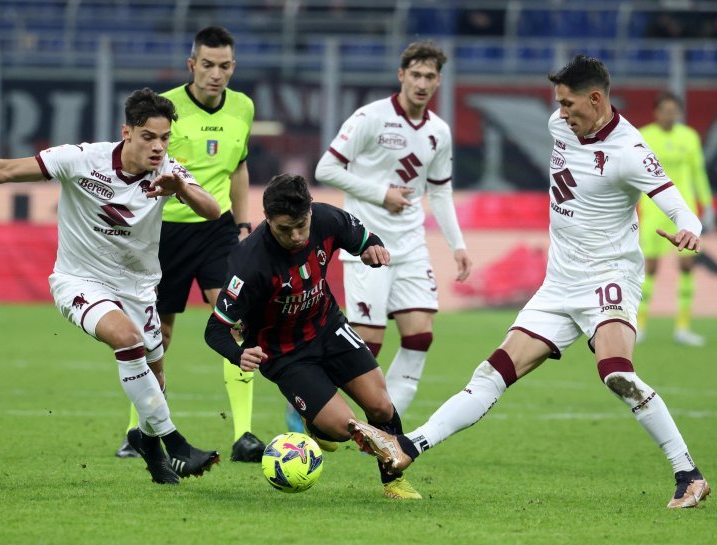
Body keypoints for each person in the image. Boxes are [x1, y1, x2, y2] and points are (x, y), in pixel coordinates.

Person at [347, 55, 710, 509]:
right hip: (558, 284)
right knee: (491, 372)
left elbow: (680, 206)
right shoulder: (562, 127)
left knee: (617, 373)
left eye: (569, 104)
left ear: (596, 99)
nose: (560, 114)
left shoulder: (629, 151)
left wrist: (689, 230)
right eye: (558, 104)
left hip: (608, 279)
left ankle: (688, 474)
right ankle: (407, 446)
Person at [0, 88, 222, 485]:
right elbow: (8, 170)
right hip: (80, 281)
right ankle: (174, 443)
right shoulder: (83, 159)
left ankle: (146, 441)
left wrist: (180, 187)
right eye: (149, 136)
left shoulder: (168, 171)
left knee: (155, 372)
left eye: (164, 138)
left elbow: (212, 210)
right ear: (126, 132)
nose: (157, 146)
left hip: (138, 287)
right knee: (127, 340)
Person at [204, 173, 421, 499]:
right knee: (343, 428)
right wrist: (238, 354)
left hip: (329, 327)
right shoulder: (248, 263)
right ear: (267, 219)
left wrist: (372, 249)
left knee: (381, 406)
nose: (295, 236)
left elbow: (363, 238)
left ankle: (394, 482)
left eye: (300, 226)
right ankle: (316, 423)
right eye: (283, 229)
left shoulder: (326, 217)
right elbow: (215, 329)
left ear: (309, 213)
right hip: (284, 354)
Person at [115, 26, 271, 463]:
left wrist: (243, 224)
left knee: (235, 319)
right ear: (192, 65)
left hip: (217, 228)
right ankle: (138, 430)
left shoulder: (243, 106)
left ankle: (244, 435)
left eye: (224, 66)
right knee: (156, 334)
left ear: (233, 67)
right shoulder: (166, 109)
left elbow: (238, 169)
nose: (216, 74)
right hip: (165, 232)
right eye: (207, 65)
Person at [315, 40, 472, 418]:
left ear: (438, 81)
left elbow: (441, 190)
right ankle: (315, 396)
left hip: (412, 245)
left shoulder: (438, 131)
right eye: (415, 74)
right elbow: (325, 169)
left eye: (429, 76)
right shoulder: (370, 117)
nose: (421, 83)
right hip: (366, 244)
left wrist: (458, 245)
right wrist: (380, 193)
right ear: (401, 75)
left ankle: (388, 426)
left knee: (420, 336)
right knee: (368, 344)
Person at [636, 91, 714, 346]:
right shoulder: (644, 136)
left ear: (679, 112)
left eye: (673, 111)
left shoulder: (689, 137)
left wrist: (707, 206)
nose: (669, 115)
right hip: (653, 212)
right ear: (656, 112)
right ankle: (641, 325)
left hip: (684, 211)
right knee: (650, 268)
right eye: (665, 111)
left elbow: (698, 174)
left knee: (687, 266)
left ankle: (682, 326)